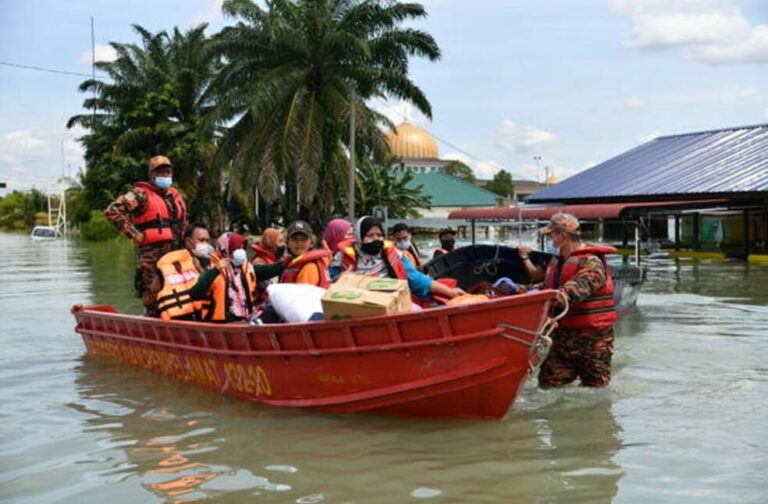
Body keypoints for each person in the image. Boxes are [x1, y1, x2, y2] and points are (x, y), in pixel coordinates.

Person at [527, 213, 617, 388]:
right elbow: (546, 287)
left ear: (562, 236)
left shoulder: (592, 263)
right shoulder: (559, 261)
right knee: (547, 386)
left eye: (551, 235)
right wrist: (518, 291)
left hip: (593, 342)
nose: (550, 240)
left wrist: (538, 300)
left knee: (596, 394)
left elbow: (572, 293)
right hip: (563, 340)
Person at [105, 155, 187, 316]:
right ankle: (152, 324)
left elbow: (184, 222)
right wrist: (134, 234)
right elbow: (112, 211)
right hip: (152, 254)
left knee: (181, 290)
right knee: (153, 294)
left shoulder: (175, 195)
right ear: (151, 175)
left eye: (167, 172)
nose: (165, 176)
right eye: (160, 172)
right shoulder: (140, 195)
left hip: (176, 253)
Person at [338, 216, 464, 301]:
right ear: (359, 237)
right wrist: (342, 280)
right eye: (370, 235)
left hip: (392, 302)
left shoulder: (394, 255)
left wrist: (449, 292)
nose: (376, 239)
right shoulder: (342, 258)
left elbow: (416, 279)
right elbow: (327, 288)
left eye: (379, 235)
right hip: (357, 305)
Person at [190, 232, 258, 322]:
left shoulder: (244, 267)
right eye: (237, 248)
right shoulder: (212, 267)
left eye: (242, 248)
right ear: (226, 249)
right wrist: (215, 270)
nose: (241, 251)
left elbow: (264, 270)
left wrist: (281, 265)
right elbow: (194, 294)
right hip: (218, 323)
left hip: (243, 320)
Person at [154, 223, 214, 320]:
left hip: (208, 317)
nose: (206, 244)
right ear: (188, 242)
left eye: (207, 241)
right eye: (201, 240)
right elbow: (154, 296)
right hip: (178, 320)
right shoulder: (171, 264)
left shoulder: (213, 263)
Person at [280, 221, 332, 288]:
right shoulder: (289, 262)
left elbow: (302, 297)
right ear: (287, 242)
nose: (299, 243)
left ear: (311, 243)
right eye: (294, 239)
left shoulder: (310, 267)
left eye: (304, 239)